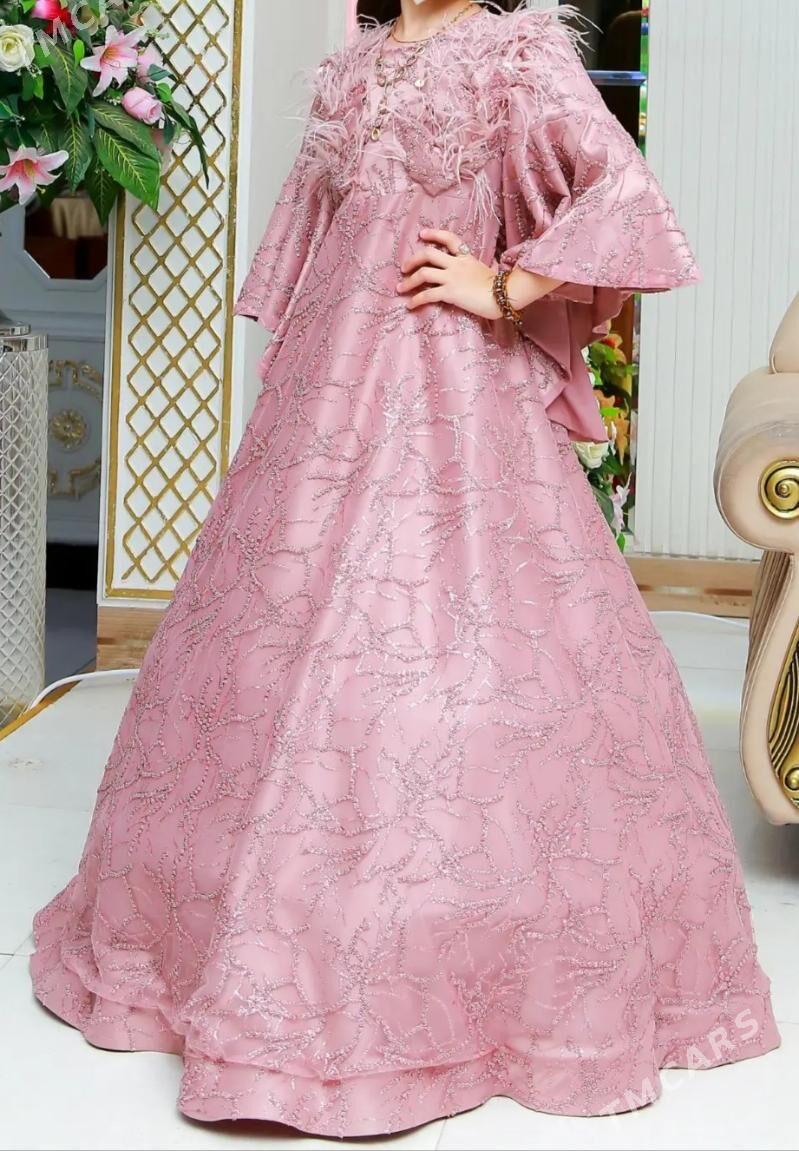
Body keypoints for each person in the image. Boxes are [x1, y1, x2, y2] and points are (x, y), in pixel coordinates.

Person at [30, 0, 780, 1138]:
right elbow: (309, 246)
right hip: (325, 402)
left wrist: (508, 285)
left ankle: (443, 971)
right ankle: (245, 950)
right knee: (278, 634)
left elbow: (622, 193)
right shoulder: (351, 68)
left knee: (453, 650)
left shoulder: (516, 53)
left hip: (453, 396)